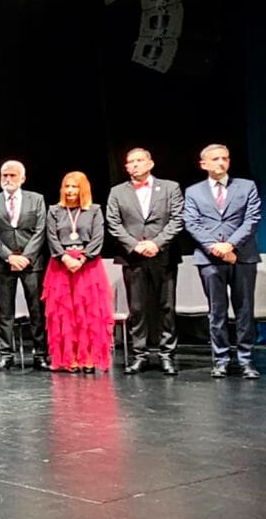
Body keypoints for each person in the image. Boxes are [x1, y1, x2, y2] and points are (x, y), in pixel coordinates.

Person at [104, 148, 184, 376]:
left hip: (163, 255)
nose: (136, 165)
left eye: (140, 160)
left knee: (166, 307)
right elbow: (114, 223)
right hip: (133, 256)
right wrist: (134, 245)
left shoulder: (170, 188)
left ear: (151, 163)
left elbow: (177, 219)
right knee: (137, 308)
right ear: (126, 167)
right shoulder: (118, 192)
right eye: (131, 162)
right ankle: (139, 355)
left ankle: (166, 355)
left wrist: (156, 243)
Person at [184, 144, 261, 379]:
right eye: (215, 159)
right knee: (216, 312)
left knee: (244, 310)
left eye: (225, 158)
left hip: (243, 256)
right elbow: (191, 222)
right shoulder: (193, 191)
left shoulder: (246, 186)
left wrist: (231, 245)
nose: (221, 162)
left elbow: (252, 218)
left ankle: (246, 360)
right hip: (210, 259)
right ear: (203, 164)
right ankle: (221, 360)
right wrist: (215, 247)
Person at [0, 161, 49, 372]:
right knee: (5, 312)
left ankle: (40, 355)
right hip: (4, 263)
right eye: (4, 175)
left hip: (32, 263)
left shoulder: (36, 199)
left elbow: (40, 230)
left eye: (12, 175)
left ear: (22, 178)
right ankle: (6, 355)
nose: (8, 179)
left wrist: (26, 257)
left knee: (36, 310)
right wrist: (9, 256)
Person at [43, 172, 112, 373]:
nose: (70, 191)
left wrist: (82, 259)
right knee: (64, 313)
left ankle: (89, 357)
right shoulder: (55, 211)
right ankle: (69, 357)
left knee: (88, 312)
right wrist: (65, 257)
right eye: (67, 186)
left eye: (74, 187)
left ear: (83, 189)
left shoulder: (95, 210)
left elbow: (98, 237)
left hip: (87, 266)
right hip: (61, 266)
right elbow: (51, 237)